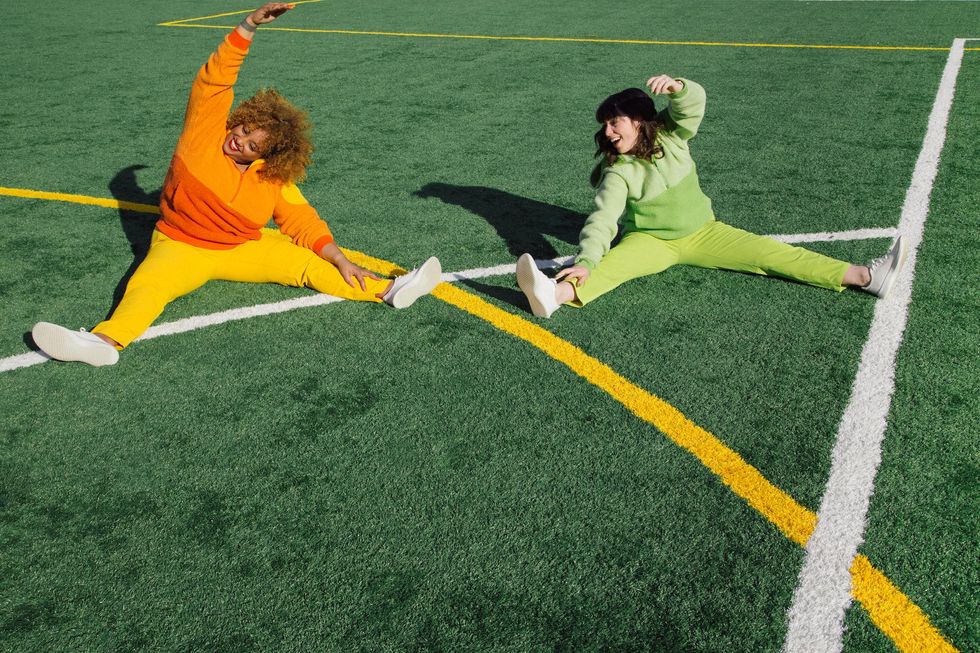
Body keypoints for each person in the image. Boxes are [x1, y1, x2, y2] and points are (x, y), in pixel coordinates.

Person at [32, 2, 441, 367]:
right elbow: (213, 84)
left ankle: (390, 289)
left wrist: (338, 257)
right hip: (180, 245)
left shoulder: (271, 175)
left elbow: (300, 220)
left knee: (307, 265)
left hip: (242, 247)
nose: (238, 140)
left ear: (267, 154)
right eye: (242, 129)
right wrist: (247, 26)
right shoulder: (202, 138)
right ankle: (104, 341)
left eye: (250, 143)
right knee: (148, 285)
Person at [516, 75, 905, 318]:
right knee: (610, 268)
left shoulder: (670, 135)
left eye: (614, 121)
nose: (610, 131)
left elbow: (692, 108)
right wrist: (585, 261)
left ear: (639, 121)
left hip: (704, 232)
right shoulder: (619, 172)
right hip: (652, 242)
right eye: (606, 124)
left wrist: (678, 89)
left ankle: (866, 277)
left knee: (770, 255)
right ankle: (553, 295)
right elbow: (602, 220)